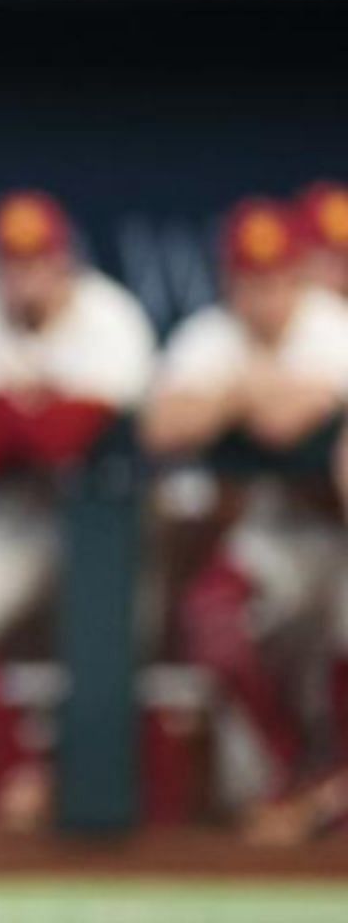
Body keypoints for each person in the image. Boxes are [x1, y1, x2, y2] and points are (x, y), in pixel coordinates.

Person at [0, 189, 155, 831]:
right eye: (12, 262)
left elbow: (71, 436)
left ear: (63, 260)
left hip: (114, 523)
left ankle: (148, 833)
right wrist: (35, 411)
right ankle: (17, 772)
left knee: (125, 654)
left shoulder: (109, 317)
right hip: (22, 513)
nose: (24, 276)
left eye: (37, 260)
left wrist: (12, 411)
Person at [141, 198, 348, 844]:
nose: (264, 296)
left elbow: (282, 422)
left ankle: (334, 788)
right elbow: (162, 426)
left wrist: (233, 395)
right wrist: (252, 392)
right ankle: (289, 779)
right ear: (231, 282)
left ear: (298, 276)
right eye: (250, 281)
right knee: (211, 613)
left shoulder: (330, 324)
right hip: (278, 531)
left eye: (278, 278)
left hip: (337, 536)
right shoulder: (211, 332)